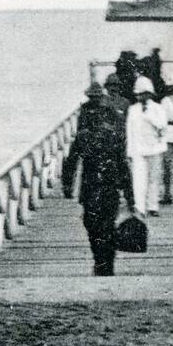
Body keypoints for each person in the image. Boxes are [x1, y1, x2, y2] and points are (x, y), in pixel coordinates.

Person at [63, 84, 136, 277]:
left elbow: (71, 162)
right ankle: (106, 263)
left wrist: (67, 185)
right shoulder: (113, 137)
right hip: (108, 188)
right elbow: (124, 167)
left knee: (94, 227)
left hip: (91, 190)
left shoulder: (84, 137)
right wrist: (130, 197)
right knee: (107, 226)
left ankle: (100, 261)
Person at [126, 77, 169, 217]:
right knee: (138, 179)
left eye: (143, 94)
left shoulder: (158, 108)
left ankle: (153, 206)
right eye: (138, 94)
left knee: (154, 178)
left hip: (155, 148)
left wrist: (148, 116)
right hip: (138, 149)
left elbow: (162, 125)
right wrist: (129, 152)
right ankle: (140, 207)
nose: (140, 97)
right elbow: (129, 131)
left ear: (149, 94)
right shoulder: (132, 109)